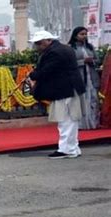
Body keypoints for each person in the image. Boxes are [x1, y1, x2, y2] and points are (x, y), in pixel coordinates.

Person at [27, 31, 86, 159]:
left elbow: (47, 71)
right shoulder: (62, 48)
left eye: (39, 43)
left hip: (65, 89)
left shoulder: (55, 52)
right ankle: (72, 148)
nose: (37, 46)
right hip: (69, 87)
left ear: (48, 40)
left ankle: (66, 149)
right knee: (69, 120)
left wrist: (32, 75)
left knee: (65, 120)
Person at [68, 27, 100, 130]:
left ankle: (93, 123)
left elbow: (97, 59)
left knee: (93, 100)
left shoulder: (90, 47)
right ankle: (80, 125)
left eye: (85, 34)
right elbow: (69, 63)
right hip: (79, 78)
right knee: (80, 100)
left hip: (91, 76)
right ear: (75, 35)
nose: (84, 36)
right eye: (82, 34)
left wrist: (92, 61)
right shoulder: (70, 48)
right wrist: (83, 62)